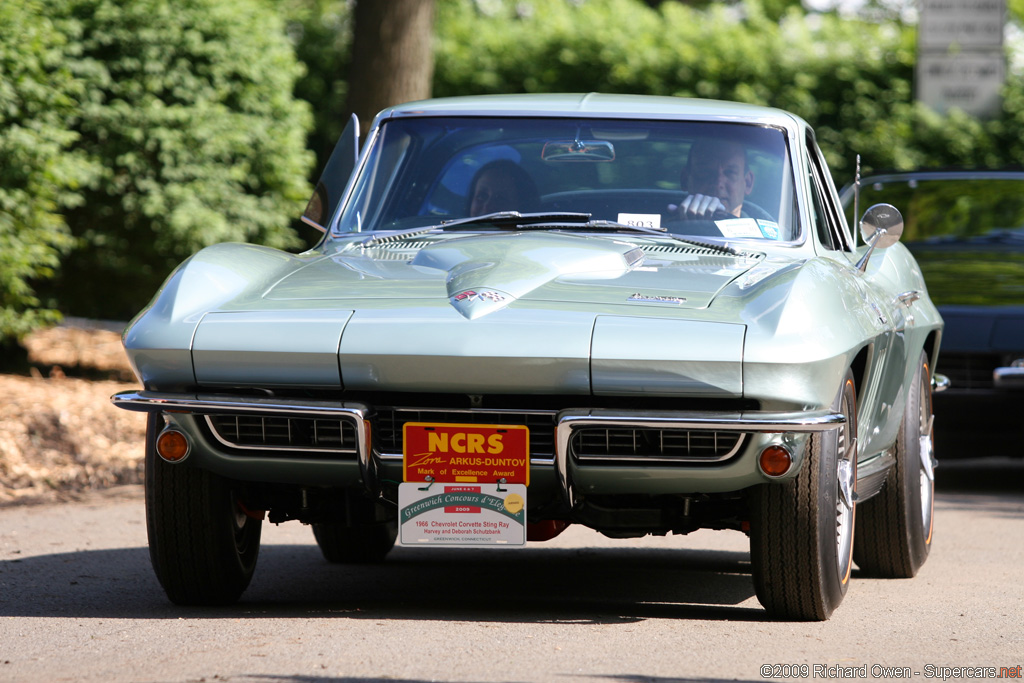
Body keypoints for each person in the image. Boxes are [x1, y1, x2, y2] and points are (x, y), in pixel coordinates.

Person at [676, 138, 758, 220]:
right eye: (706, 172)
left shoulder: (758, 232)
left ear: (748, 183)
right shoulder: (667, 229)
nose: (718, 183)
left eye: (730, 172)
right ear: (685, 180)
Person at [467, 159, 539, 216]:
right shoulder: (456, 231)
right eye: (482, 196)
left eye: (500, 198)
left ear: (522, 206)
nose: (487, 206)